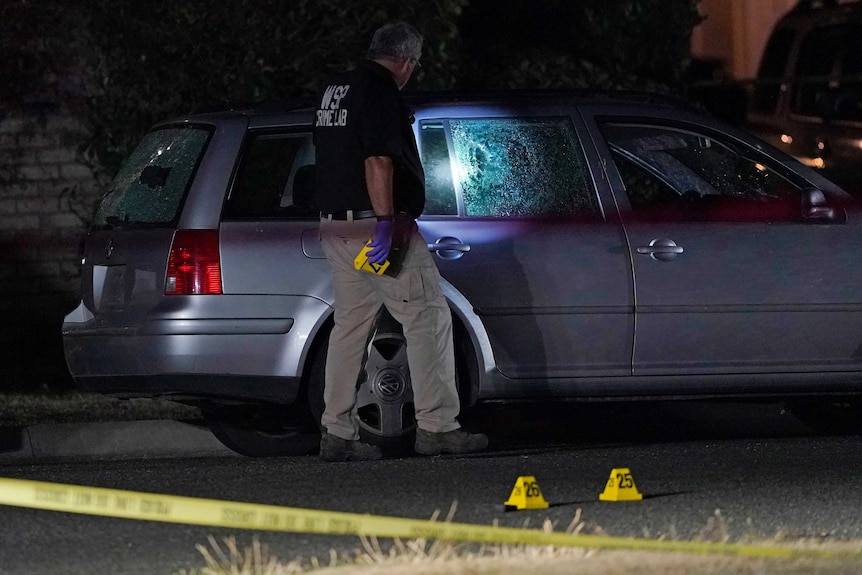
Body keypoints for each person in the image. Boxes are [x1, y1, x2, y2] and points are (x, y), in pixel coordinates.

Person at [313, 21, 488, 462]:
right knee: (427, 317)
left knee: (351, 327)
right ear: (407, 61)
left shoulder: (337, 89)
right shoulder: (380, 90)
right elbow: (378, 160)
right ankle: (437, 428)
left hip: (337, 226)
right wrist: (387, 225)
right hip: (375, 228)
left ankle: (337, 433)